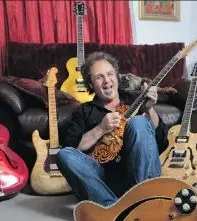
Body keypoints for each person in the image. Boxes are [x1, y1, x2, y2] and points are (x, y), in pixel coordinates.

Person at [56, 52, 169, 207]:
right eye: (99, 77)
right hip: (103, 181)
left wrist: (149, 109)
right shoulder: (83, 111)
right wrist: (100, 129)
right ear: (90, 84)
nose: (106, 80)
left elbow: (162, 143)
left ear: (116, 77)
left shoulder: (136, 100)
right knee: (63, 154)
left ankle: (144, 201)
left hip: (138, 175)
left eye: (110, 74)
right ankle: (111, 209)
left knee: (138, 123)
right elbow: (72, 147)